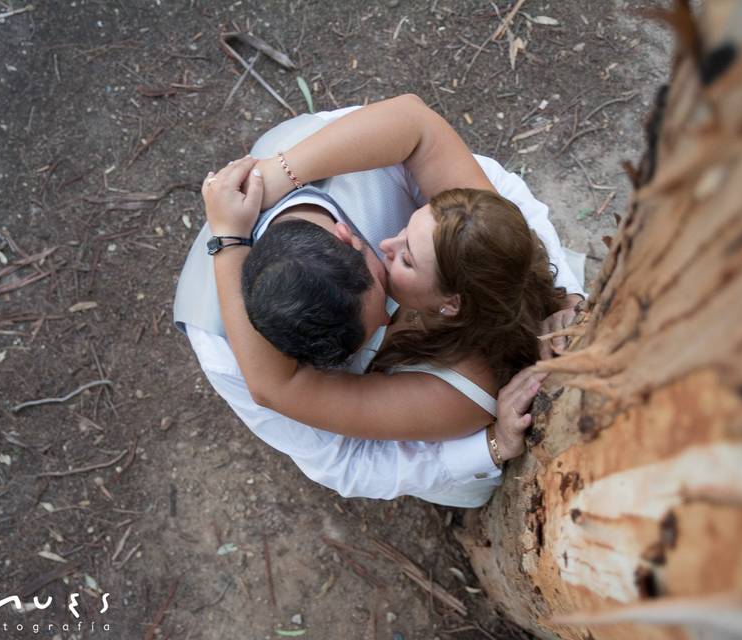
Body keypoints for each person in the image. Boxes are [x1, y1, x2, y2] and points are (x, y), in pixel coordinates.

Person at [175, 95, 584, 506]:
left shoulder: (362, 154)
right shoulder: (224, 353)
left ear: (346, 234)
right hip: (431, 428)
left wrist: (564, 298)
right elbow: (341, 455)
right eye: (374, 326)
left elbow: (493, 195)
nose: (389, 245)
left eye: (397, 264)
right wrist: (487, 449)